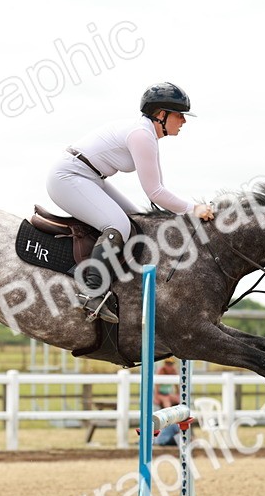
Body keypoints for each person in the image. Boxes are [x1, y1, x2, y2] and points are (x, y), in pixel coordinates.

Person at [45, 82, 215, 321]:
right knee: (120, 225)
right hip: (69, 176)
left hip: (90, 177)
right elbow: (155, 193)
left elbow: (158, 191)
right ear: (161, 115)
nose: (184, 121)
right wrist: (193, 209)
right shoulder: (142, 135)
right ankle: (91, 292)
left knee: (138, 221)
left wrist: (184, 211)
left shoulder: (147, 134)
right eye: (180, 115)